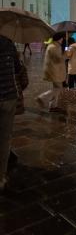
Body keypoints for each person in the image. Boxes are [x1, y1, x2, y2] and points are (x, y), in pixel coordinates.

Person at [0, 35, 22, 192]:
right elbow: (17, 68)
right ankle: (0, 177)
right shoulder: (8, 43)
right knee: (4, 138)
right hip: (8, 96)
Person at [37, 33, 66, 112]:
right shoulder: (54, 47)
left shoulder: (55, 46)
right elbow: (58, 59)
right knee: (58, 88)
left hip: (54, 70)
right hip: (54, 70)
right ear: (59, 38)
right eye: (62, 38)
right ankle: (42, 97)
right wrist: (65, 54)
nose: (63, 40)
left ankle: (53, 106)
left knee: (56, 88)